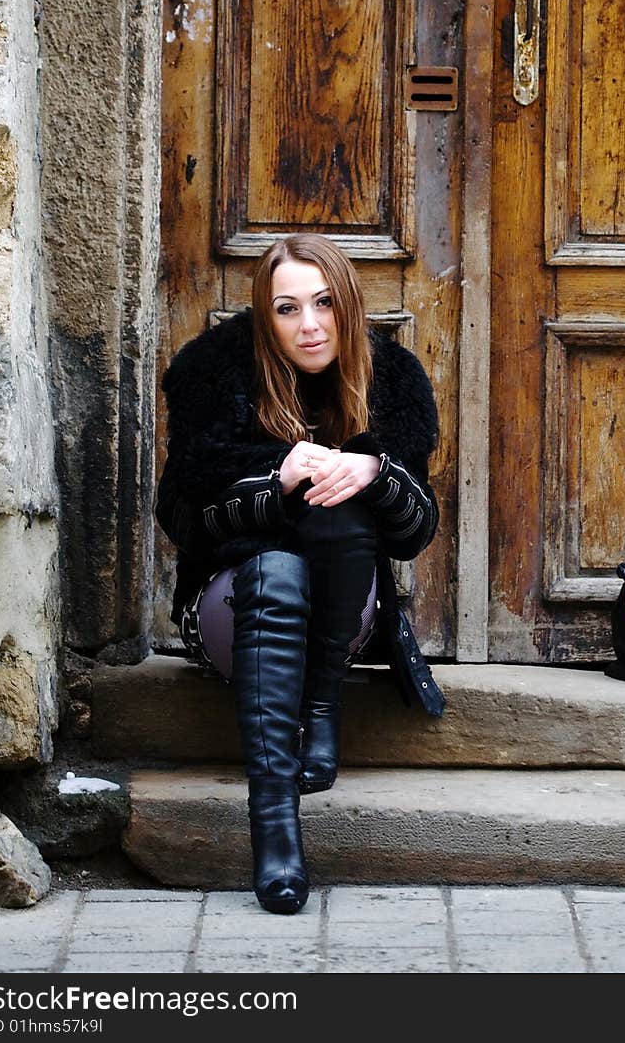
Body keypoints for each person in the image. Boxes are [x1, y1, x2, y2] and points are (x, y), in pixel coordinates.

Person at [155, 233, 445, 915]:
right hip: (227, 614)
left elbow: (414, 535)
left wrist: (374, 474)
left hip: (344, 623)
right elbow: (184, 521)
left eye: (322, 304)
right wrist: (274, 481)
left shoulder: (392, 380)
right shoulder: (214, 377)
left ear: (346, 303)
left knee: (343, 508)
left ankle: (320, 708)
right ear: (265, 316)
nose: (309, 325)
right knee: (278, 569)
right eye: (287, 309)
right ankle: (276, 830)